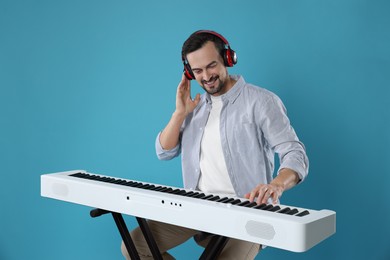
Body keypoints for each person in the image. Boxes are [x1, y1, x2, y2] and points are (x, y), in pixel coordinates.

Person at [121, 30, 309, 260]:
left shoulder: (261, 101)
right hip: (197, 208)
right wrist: (180, 113)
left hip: (246, 212)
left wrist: (276, 186)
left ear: (228, 59)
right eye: (197, 71)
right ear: (189, 73)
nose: (206, 76)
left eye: (211, 66)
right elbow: (164, 151)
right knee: (134, 245)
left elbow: (294, 152)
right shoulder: (194, 108)